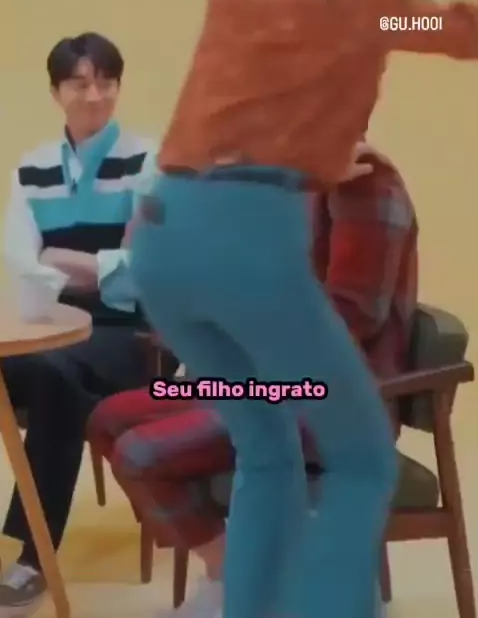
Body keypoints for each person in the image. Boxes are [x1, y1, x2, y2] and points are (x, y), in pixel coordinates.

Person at [127, 0, 478, 618]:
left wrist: (317, 154)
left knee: (265, 447)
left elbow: (260, 98)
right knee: (361, 459)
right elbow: (468, 33)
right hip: (247, 238)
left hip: (157, 239)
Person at [89, 147, 418, 618]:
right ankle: (235, 575)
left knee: (142, 453)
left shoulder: (365, 184)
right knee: (109, 418)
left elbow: (352, 316)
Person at [1, 33, 156, 616]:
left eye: (106, 82)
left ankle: (32, 555)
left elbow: (155, 265)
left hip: (132, 335)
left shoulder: (149, 161)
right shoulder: (32, 167)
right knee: (48, 367)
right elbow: (21, 256)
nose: (94, 95)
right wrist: (87, 269)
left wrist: (80, 264)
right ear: (55, 91)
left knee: (55, 377)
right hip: (52, 326)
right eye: (79, 83)